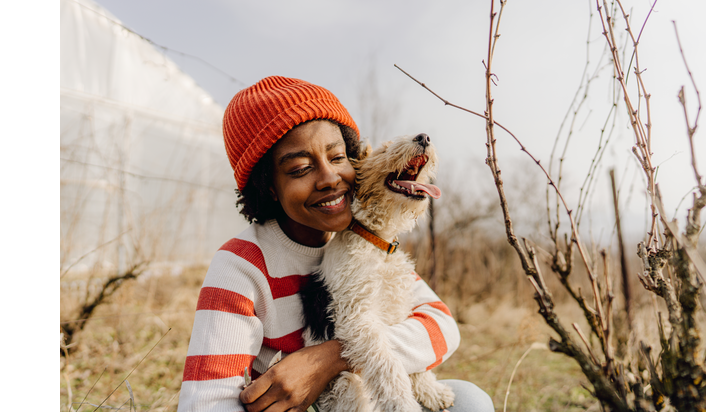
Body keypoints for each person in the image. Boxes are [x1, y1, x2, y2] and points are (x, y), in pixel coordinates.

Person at [178, 76, 494, 412]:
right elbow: (206, 401)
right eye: (300, 168)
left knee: (470, 399)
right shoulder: (242, 264)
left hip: (366, 394)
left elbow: (443, 326)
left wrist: (328, 358)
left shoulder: (364, 240)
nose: (330, 178)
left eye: (338, 157)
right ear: (268, 186)